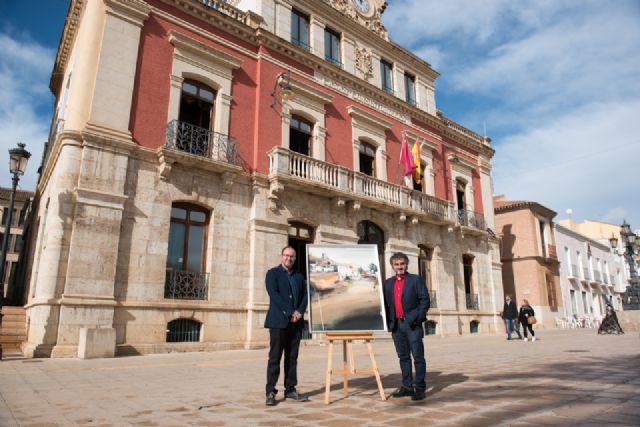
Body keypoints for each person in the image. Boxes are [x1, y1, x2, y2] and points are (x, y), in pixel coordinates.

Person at [264, 246, 308, 406]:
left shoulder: (299, 276)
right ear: (281, 256)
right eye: (286, 256)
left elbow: (305, 296)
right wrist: (290, 312)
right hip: (278, 322)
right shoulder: (272, 274)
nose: (289, 259)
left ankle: (290, 389)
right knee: (275, 357)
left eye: (292, 256)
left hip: (296, 324)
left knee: (292, 358)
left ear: (295, 259)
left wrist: (300, 311)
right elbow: (273, 294)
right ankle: (270, 391)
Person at [383, 252, 430, 401]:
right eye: (396, 264)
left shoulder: (416, 280)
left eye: (402, 264)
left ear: (406, 264)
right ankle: (407, 386)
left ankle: (420, 388)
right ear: (392, 266)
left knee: (418, 357)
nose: (399, 267)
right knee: (403, 357)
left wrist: (416, 318)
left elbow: (425, 301)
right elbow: (384, 304)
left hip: (412, 324)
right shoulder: (388, 283)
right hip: (396, 326)